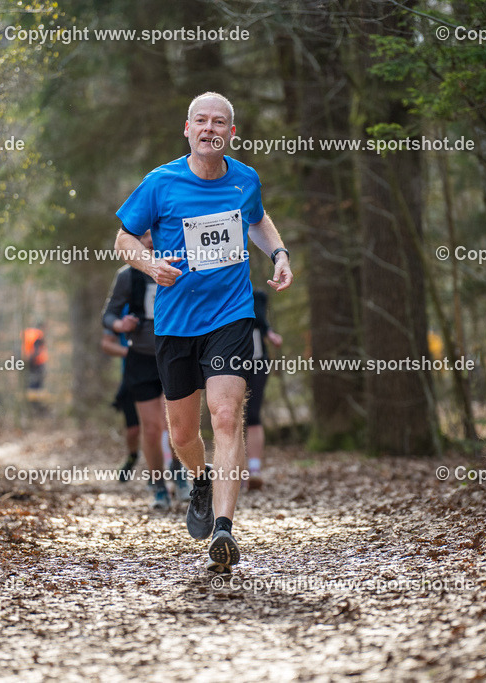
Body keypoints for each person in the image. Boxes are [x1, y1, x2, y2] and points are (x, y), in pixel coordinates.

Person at [114, 92, 293, 573]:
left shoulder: (244, 180)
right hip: (175, 323)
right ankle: (199, 477)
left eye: (220, 122)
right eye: (201, 120)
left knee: (227, 414)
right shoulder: (160, 183)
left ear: (231, 133)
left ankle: (224, 529)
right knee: (183, 434)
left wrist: (278, 254)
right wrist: (151, 265)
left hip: (231, 315)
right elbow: (123, 238)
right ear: (187, 128)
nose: (210, 128)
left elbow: (258, 220)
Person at [102, 231, 190, 509]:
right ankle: (159, 487)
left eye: (155, 233)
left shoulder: (180, 265)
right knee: (151, 430)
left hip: (175, 353)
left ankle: (181, 475)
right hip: (141, 357)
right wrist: (120, 326)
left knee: (177, 426)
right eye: (144, 235)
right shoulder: (127, 275)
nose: (150, 239)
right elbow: (109, 315)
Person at [243, 289, 282, 491]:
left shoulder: (257, 296)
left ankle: (254, 470)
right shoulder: (216, 290)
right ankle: (236, 471)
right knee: (230, 416)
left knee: (253, 414)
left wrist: (271, 334)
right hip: (225, 363)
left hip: (257, 362)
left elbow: (262, 321)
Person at [101, 331, 141, 482]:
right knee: (133, 430)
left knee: (158, 428)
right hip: (130, 379)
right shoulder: (123, 310)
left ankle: (165, 473)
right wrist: (133, 353)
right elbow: (106, 343)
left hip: (160, 376)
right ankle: (132, 457)